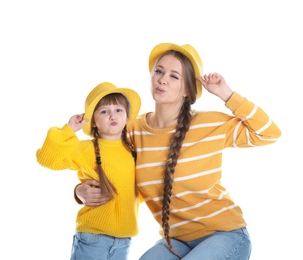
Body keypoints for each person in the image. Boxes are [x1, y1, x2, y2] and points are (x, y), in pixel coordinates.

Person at [74, 43, 282, 259]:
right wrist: (80, 190)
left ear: (187, 89)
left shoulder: (208, 124)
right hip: (175, 240)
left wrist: (226, 94)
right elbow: (103, 158)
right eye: (159, 71)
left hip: (225, 235)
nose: (162, 79)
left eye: (174, 76)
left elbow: (269, 133)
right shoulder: (132, 129)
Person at [36, 82, 141, 260]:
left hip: (124, 240)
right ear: (94, 122)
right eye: (104, 111)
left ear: (127, 117)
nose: (112, 115)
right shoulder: (86, 148)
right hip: (93, 238)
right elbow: (47, 159)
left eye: (118, 110)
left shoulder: (133, 149)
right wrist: (67, 130)